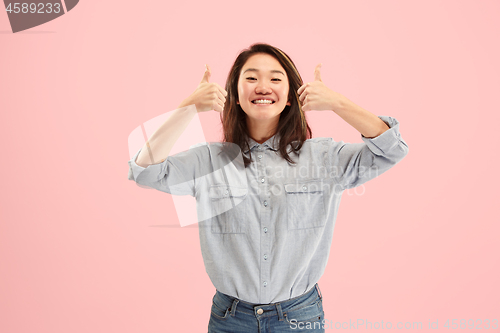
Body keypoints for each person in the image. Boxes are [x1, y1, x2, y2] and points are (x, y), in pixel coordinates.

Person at [127, 43, 409, 332]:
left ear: (290, 97)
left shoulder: (324, 158)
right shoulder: (208, 161)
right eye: (251, 78)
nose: (263, 86)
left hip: (299, 316)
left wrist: (337, 103)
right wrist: (187, 108)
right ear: (235, 96)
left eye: (275, 79)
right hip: (230, 319)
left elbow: (391, 150)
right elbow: (145, 172)